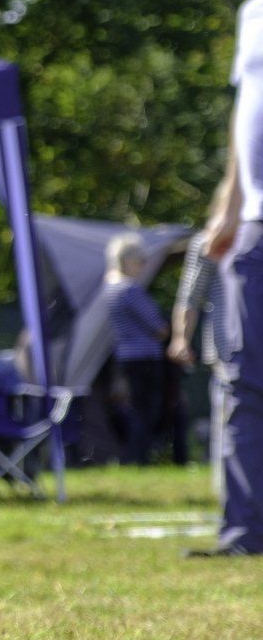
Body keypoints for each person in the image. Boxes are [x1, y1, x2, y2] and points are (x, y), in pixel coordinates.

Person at [204, 0, 263, 556]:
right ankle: (245, 531)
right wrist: (228, 201)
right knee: (243, 377)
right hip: (254, 225)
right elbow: (244, 112)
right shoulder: (252, 14)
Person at [173, 186, 234, 497]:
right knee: (231, 425)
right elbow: (190, 295)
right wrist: (180, 338)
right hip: (228, 348)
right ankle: (232, 499)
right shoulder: (208, 242)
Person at [103, 234, 168, 466]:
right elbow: (158, 327)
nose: (142, 266)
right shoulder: (130, 289)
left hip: (125, 356)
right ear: (127, 261)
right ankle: (140, 457)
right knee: (146, 410)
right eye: (140, 261)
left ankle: (135, 456)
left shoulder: (109, 288)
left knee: (135, 408)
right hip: (144, 357)